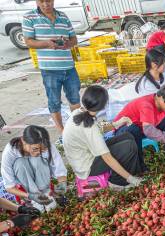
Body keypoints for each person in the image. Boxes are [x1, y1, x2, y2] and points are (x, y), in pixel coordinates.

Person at [63, 85, 144, 191]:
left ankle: (132, 171)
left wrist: (117, 123)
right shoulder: (90, 127)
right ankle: (117, 182)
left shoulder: (80, 112)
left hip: (85, 154)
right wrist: (131, 179)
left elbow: (99, 128)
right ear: (103, 106)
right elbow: (107, 158)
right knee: (128, 146)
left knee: (128, 136)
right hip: (87, 166)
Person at [22, 0, 80, 135]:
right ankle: (61, 130)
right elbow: (29, 42)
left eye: (48, 0)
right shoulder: (29, 17)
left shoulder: (63, 16)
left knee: (74, 97)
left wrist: (67, 44)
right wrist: (47, 43)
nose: (45, 4)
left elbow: (74, 39)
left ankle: (77, 126)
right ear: (37, 1)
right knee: (54, 100)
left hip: (69, 66)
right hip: (49, 69)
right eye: (41, 1)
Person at [1, 125, 67, 211]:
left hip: (45, 183)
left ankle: (46, 195)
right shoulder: (10, 151)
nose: (38, 152)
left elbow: (60, 172)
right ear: (23, 141)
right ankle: (34, 201)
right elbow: (9, 187)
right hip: (25, 189)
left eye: (42, 150)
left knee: (37, 159)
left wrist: (60, 191)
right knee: (19, 163)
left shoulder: (47, 146)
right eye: (35, 149)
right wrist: (31, 196)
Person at [115, 83, 165, 156]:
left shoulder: (164, 104)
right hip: (124, 131)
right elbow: (149, 131)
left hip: (142, 128)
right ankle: (139, 162)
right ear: (162, 99)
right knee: (134, 129)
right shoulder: (146, 105)